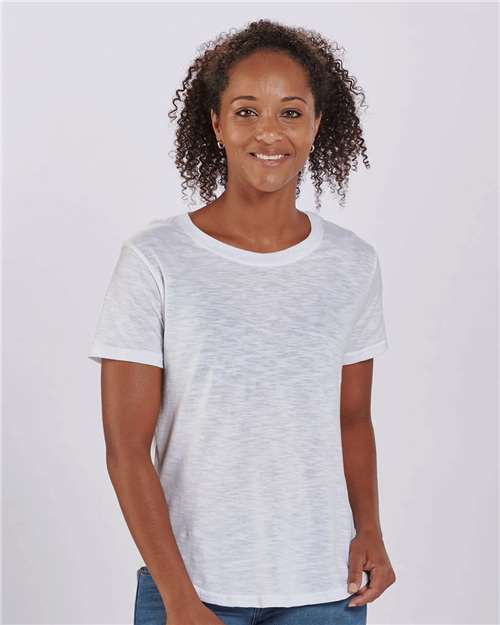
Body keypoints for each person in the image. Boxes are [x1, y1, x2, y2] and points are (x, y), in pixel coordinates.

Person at [88, 18, 396, 625]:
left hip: (324, 590)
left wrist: (371, 529)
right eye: (247, 111)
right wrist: (180, 600)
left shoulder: (352, 263)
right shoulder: (155, 259)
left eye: (290, 112)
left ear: (316, 124)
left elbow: (351, 418)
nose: (269, 132)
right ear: (217, 124)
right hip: (190, 589)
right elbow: (125, 450)